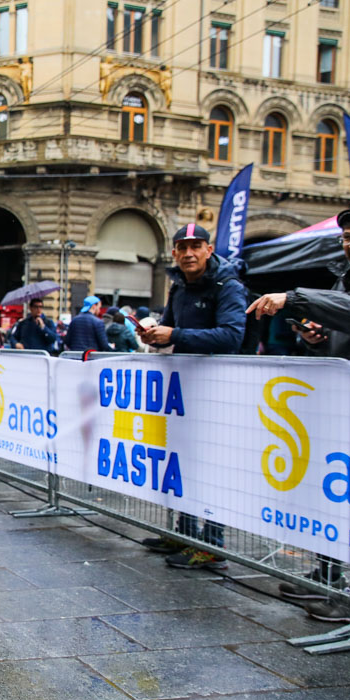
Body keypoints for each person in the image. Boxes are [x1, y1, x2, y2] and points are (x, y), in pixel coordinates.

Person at [248, 204, 350, 620]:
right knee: (338, 497)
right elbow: (348, 327)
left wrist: (297, 299)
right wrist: (319, 335)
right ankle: (328, 576)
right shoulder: (347, 277)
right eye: (348, 238)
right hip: (346, 403)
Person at [139, 223, 247, 570]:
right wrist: (154, 334)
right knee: (181, 461)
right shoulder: (179, 287)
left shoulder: (227, 284)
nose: (188, 253)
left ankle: (212, 545)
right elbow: (171, 331)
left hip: (217, 390)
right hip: (183, 390)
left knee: (210, 466)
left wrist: (176, 333)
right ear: (173, 253)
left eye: (195, 246)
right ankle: (184, 533)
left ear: (209, 250)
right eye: (182, 248)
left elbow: (231, 336)